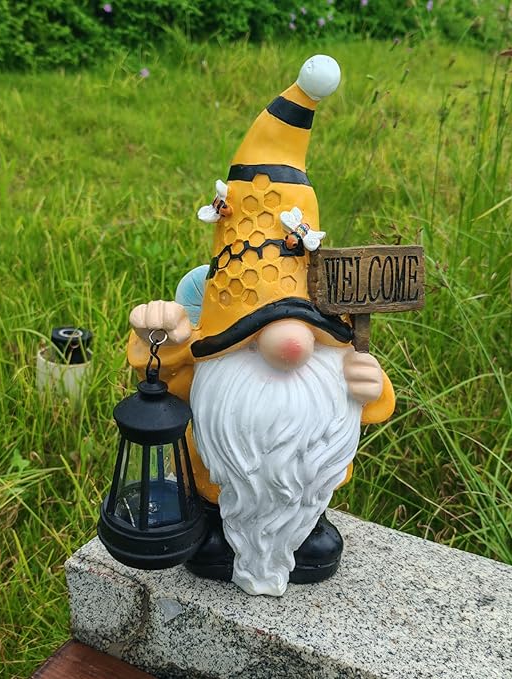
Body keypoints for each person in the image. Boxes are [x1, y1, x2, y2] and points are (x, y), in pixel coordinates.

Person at [127, 55, 395, 597]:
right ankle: (221, 528)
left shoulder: (333, 354)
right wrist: (160, 337)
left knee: (315, 540)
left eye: (305, 326)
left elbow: (370, 405)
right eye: (249, 336)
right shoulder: (207, 355)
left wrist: (372, 386)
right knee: (210, 537)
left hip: (307, 494)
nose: (288, 347)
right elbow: (165, 379)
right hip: (218, 488)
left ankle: (305, 528)